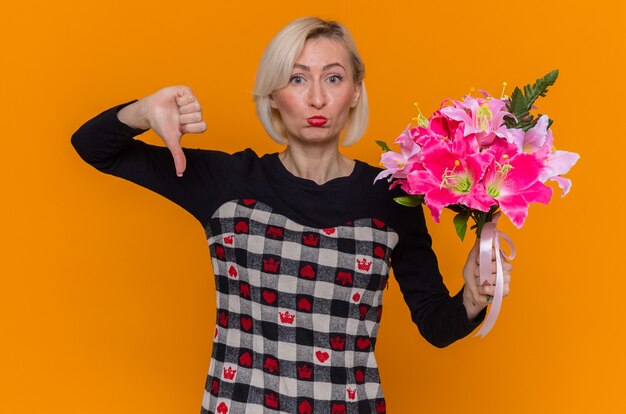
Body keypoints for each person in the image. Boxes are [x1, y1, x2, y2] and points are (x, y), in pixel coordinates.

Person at [71, 17, 511, 414]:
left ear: (355, 90)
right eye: (297, 78)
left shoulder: (391, 196)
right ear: (274, 95)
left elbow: (436, 326)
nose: (317, 98)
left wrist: (473, 297)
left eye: (333, 78)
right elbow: (93, 146)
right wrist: (145, 110)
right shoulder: (225, 182)